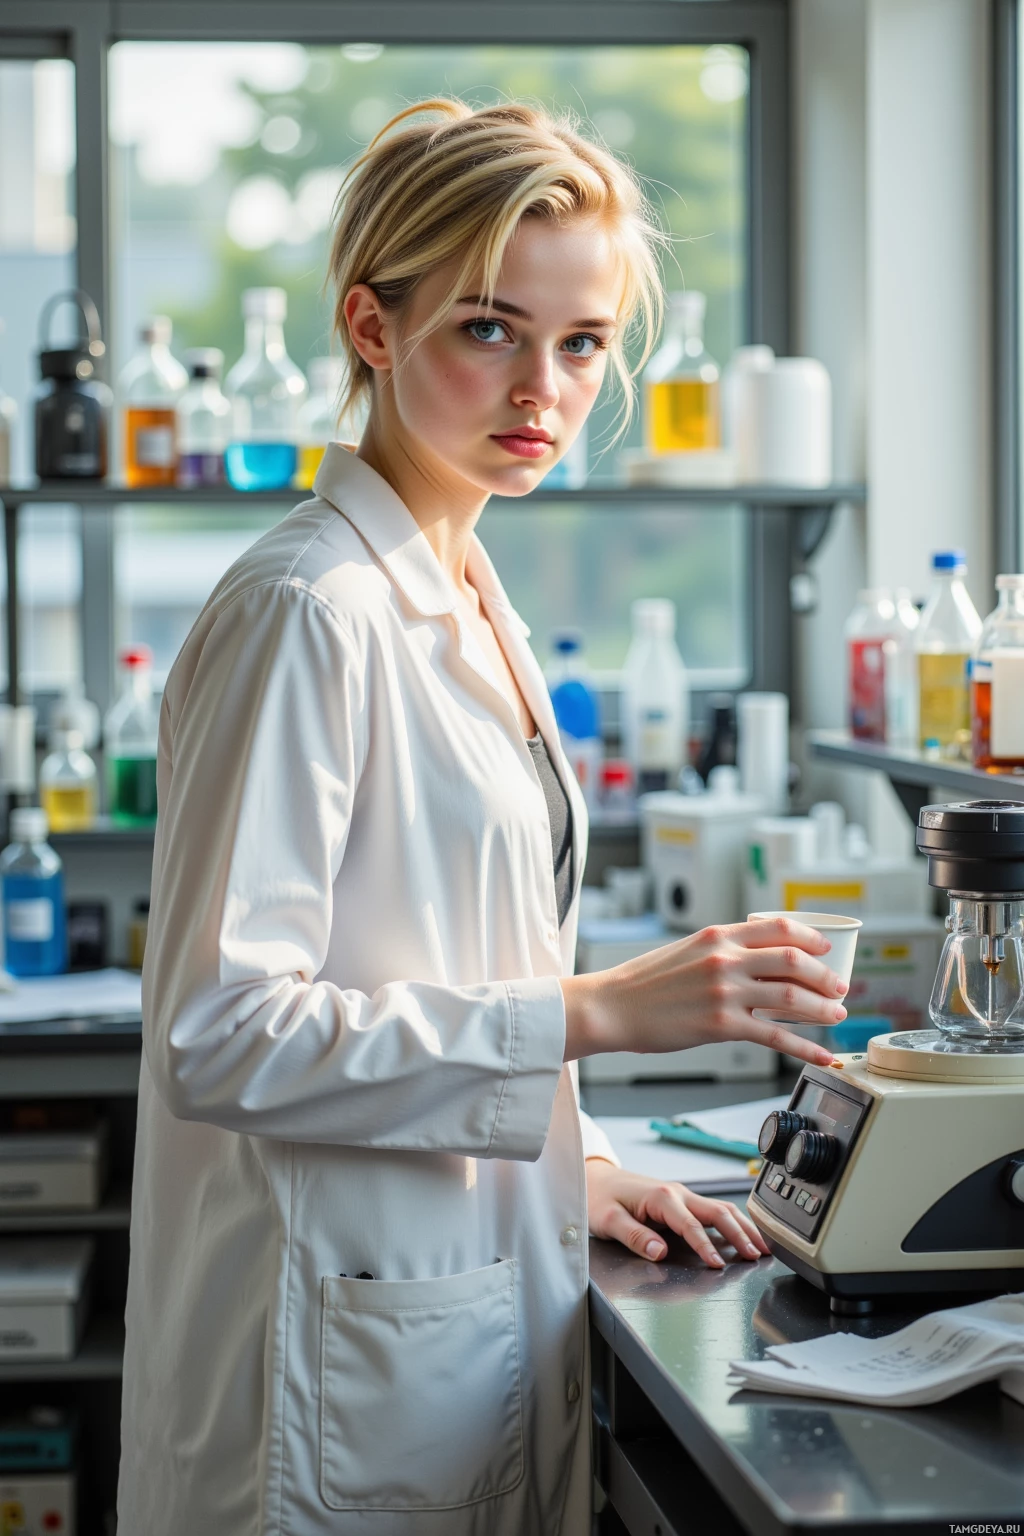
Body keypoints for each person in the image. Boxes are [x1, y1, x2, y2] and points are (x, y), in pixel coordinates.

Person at [117, 99, 848, 1535]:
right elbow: (217, 1032)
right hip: (322, 1368)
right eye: (489, 329)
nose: (546, 391)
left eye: (581, 344)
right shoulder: (307, 612)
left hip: (446, 1312)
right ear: (372, 329)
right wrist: (593, 1015)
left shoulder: (466, 593)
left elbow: (417, 951)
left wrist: (571, 1166)